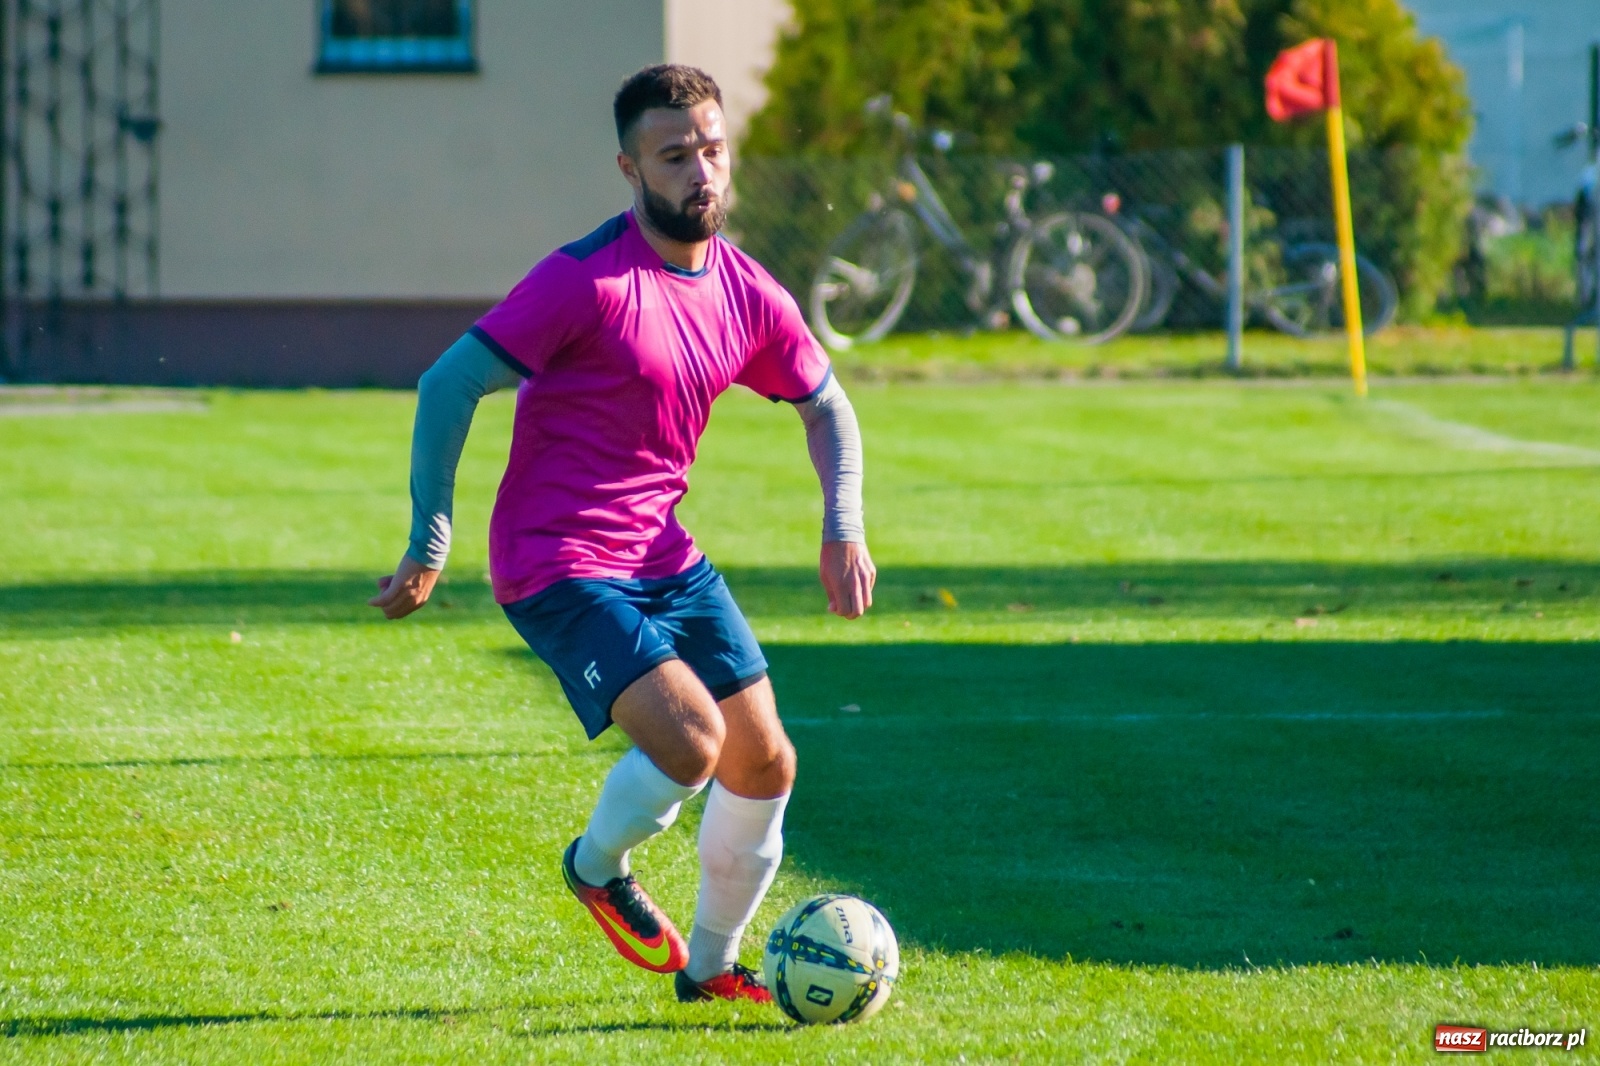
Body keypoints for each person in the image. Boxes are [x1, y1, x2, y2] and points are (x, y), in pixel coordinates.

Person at [367, 64, 875, 1005]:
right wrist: (431, 537)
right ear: (630, 169)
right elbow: (448, 384)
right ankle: (597, 867)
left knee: (765, 761)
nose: (701, 172)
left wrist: (842, 527)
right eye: (675, 155)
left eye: (713, 150)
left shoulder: (749, 292)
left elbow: (827, 408)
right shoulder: (583, 281)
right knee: (692, 741)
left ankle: (712, 970)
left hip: (661, 553)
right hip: (555, 561)